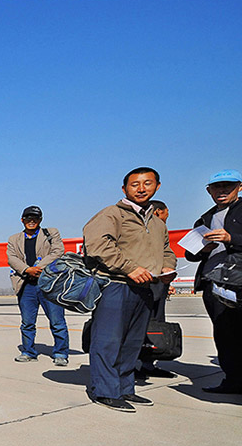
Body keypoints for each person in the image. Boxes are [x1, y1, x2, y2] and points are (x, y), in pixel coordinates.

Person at [83, 167, 176, 412]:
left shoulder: (157, 223)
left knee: (132, 343)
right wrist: (129, 267)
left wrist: (167, 266)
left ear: (157, 186)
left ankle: (125, 388)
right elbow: (97, 245)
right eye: (135, 184)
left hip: (146, 288)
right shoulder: (112, 214)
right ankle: (104, 391)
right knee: (107, 341)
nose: (141, 188)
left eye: (147, 183)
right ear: (124, 189)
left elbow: (166, 249)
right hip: (116, 285)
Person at [184, 169, 242, 394]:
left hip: (239, 281)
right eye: (217, 187)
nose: (222, 190)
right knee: (224, 332)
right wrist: (202, 249)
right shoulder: (205, 218)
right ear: (209, 190)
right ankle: (233, 380)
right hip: (215, 283)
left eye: (228, 185)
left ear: (239, 186)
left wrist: (231, 239)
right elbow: (190, 253)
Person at [6, 205, 69, 365]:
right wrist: (28, 269)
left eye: (35, 218)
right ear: (22, 220)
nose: (31, 221)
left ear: (40, 220)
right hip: (26, 285)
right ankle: (28, 351)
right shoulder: (14, 239)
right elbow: (12, 258)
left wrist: (38, 268)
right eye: (28, 218)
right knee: (27, 322)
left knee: (57, 321)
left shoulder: (51, 233)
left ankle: (61, 353)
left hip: (49, 283)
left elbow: (57, 252)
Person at [136, 200, 176, 381]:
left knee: (156, 323)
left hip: (159, 283)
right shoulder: (144, 229)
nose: (167, 216)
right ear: (158, 212)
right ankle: (135, 364)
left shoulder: (160, 230)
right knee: (140, 323)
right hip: (145, 282)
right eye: (167, 212)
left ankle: (147, 364)